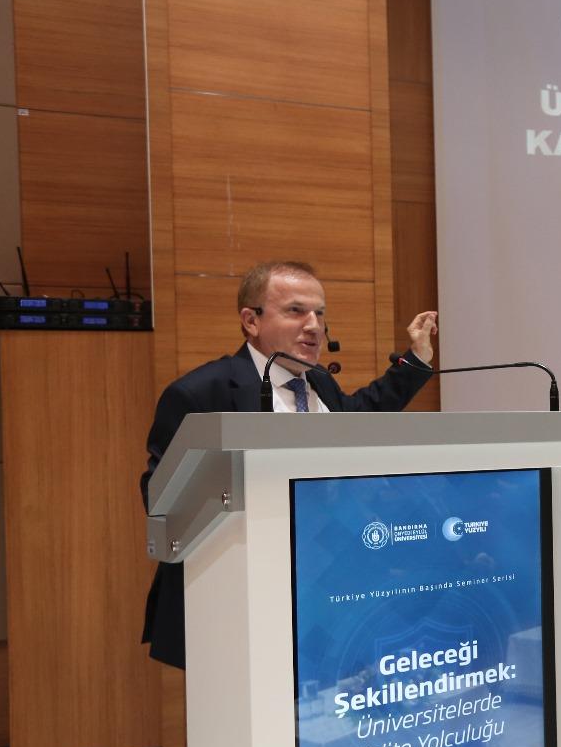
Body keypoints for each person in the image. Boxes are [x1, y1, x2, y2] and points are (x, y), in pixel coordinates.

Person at [139, 260, 438, 668]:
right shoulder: (200, 393)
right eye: (296, 311)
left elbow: (358, 416)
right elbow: (163, 500)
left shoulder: (319, 383)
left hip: (322, 595)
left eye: (320, 313)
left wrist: (416, 359)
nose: (314, 326)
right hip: (235, 600)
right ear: (251, 321)